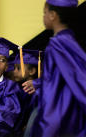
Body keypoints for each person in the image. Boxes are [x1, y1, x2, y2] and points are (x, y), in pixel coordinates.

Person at [29, 0, 86, 137]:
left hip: (59, 105)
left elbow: (77, 75)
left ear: (53, 15)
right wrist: (37, 83)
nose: (43, 16)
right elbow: (59, 73)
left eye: (45, 13)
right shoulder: (67, 39)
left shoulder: (58, 43)